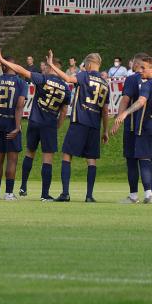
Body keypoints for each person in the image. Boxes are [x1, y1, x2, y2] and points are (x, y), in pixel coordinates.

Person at [0, 51, 70, 201]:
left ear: (52, 68)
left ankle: (23, 186)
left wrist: (3, 60)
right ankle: (44, 195)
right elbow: (64, 110)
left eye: (47, 67)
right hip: (49, 124)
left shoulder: (44, 79)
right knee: (47, 159)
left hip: (35, 121)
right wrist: (58, 125)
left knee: (30, 152)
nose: (44, 69)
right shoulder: (66, 89)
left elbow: (21, 70)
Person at [46, 51, 110, 202]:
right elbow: (105, 110)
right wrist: (105, 130)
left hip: (80, 121)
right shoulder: (105, 83)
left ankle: (65, 193)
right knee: (91, 159)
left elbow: (68, 78)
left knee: (67, 154)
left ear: (88, 64)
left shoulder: (84, 75)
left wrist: (51, 65)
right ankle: (89, 195)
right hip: (94, 125)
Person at [112, 56, 152, 203]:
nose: (140, 69)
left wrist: (122, 115)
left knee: (136, 160)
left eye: (142, 67)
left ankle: (140, 195)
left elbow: (129, 100)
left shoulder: (138, 81)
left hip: (138, 127)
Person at [0, 52, 28, 200]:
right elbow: (20, 105)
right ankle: (9, 193)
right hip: (11, 122)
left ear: (4, 66)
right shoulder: (22, 83)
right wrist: (17, 126)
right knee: (12, 159)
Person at [116, 53, 149, 203]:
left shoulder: (132, 79)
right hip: (150, 126)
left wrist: (119, 118)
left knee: (131, 160)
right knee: (148, 160)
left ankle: (134, 195)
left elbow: (125, 99)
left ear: (136, 64)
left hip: (133, 125)